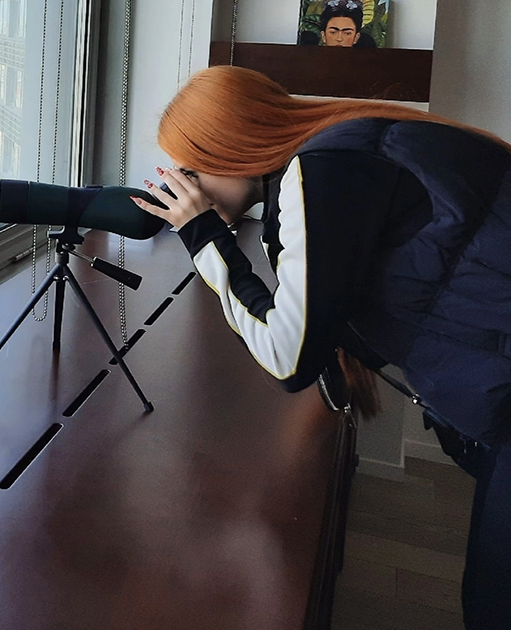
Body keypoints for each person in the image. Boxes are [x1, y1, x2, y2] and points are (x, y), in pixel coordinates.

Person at [131, 65, 511, 630]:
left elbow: (289, 359)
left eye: (191, 170)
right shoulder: (345, 145)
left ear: (230, 147)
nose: (185, 189)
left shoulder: (321, 170)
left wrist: (203, 236)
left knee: (494, 604)